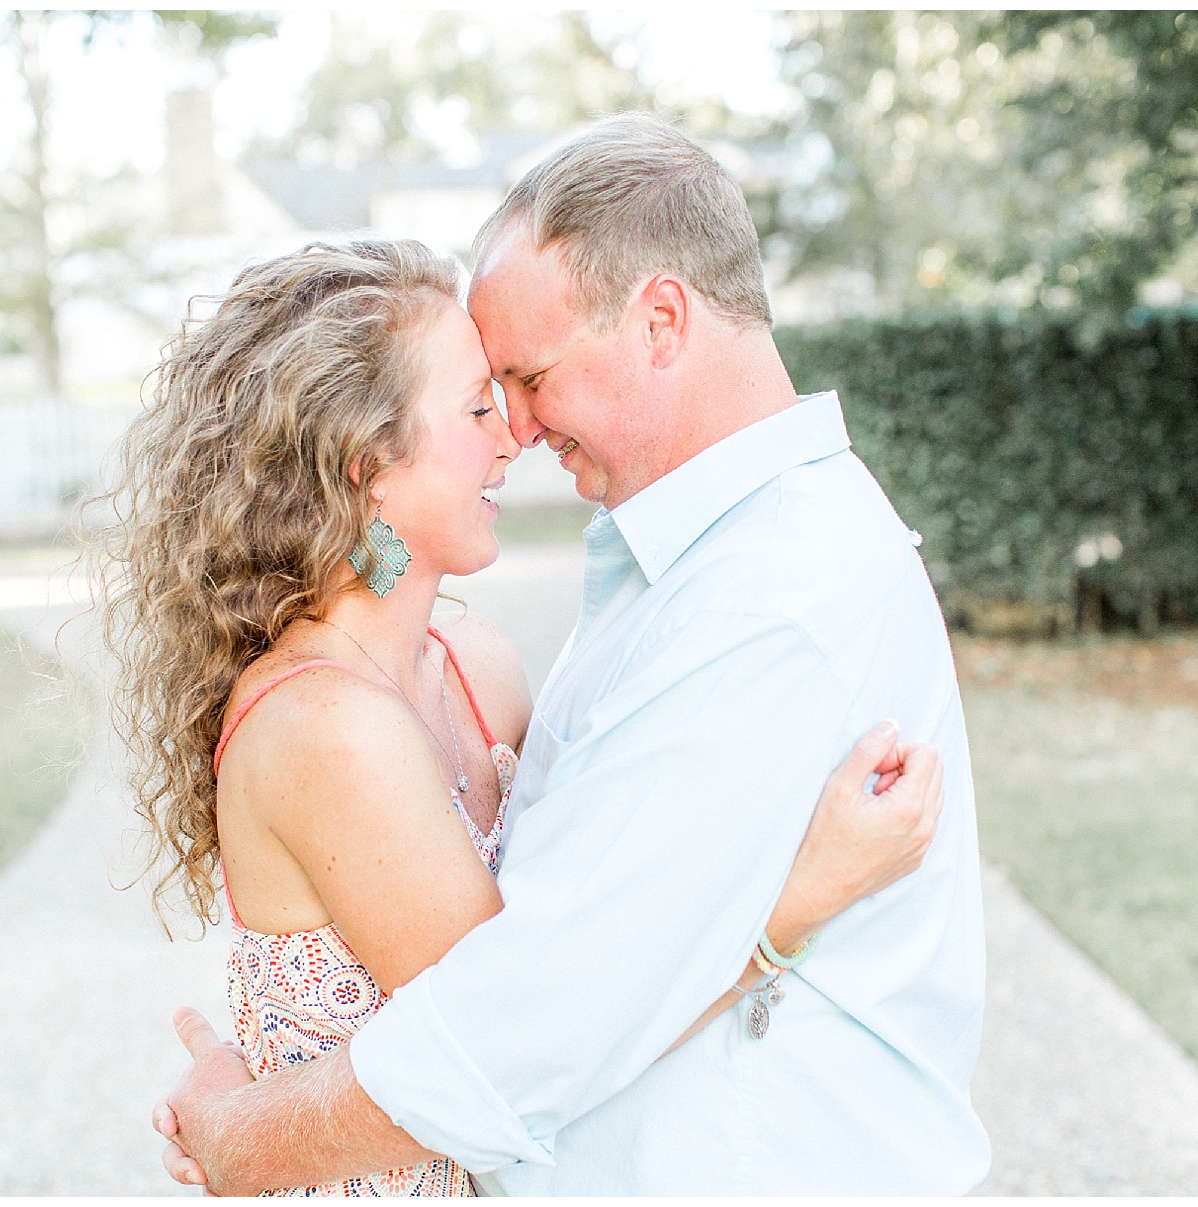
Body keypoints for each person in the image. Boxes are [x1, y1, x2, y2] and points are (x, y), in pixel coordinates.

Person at [153, 114, 989, 1195]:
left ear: (660, 320)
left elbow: (540, 1021)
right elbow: (567, 970)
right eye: (482, 397)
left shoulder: (759, 596)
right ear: (363, 461)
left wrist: (237, 1137)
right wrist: (785, 911)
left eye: (527, 377)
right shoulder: (681, 561)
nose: (520, 428)